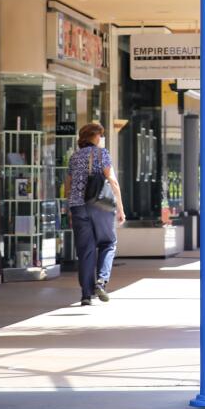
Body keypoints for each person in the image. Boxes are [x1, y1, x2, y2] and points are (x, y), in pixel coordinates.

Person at [64, 123, 126, 306]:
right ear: (95, 137)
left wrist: (70, 208)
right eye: (99, 135)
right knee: (109, 243)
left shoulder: (74, 157)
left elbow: (68, 185)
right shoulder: (102, 153)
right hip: (100, 206)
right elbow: (113, 181)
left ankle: (85, 295)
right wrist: (120, 208)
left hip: (78, 207)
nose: (100, 138)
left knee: (85, 250)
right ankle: (101, 281)